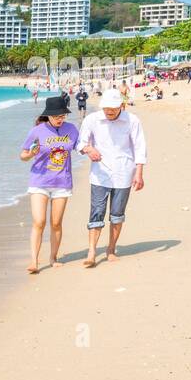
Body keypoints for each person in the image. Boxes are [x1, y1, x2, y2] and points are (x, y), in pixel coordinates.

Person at [77, 88, 147, 268]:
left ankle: (111, 249)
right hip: (100, 174)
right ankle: (92, 252)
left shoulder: (132, 120)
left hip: (124, 172)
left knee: (117, 214)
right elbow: (81, 142)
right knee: (96, 213)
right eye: (106, 108)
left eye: (113, 109)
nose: (109, 112)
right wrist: (88, 149)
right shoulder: (92, 119)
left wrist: (139, 172)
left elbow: (140, 147)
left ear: (121, 106)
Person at [20, 96, 79, 274]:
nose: (60, 119)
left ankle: (53, 258)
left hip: (62, 182)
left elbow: (81, 146)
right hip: (40, 181)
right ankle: (34, 261)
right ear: (48, 116)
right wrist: (31, 154)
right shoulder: (37, 131)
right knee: (39, 221)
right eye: (56, 116)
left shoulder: (72, 129)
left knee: (56, 223)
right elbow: (22, 155)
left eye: (63, 116)